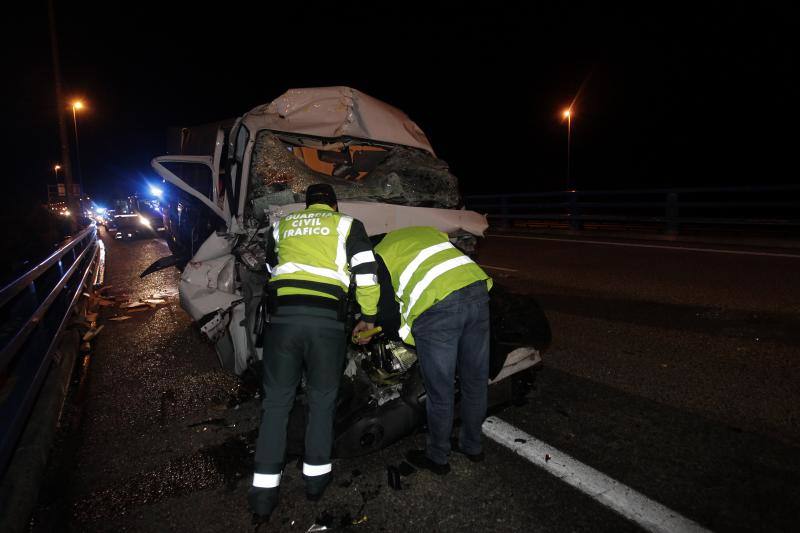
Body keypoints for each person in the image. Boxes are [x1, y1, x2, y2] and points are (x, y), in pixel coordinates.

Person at [249, 183, 379, 519]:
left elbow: (270, 268)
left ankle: (263, 496)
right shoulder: (348, 225)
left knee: (276, 403)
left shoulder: (282, 226)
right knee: (322, 401)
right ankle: (315, 482)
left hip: (283, 322)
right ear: (333, 205)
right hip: (326, 324)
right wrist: (368, 317)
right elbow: (366, 273)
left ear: (307, 206)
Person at [354, 226, 492, 475]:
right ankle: (473, 446)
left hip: (438, 309)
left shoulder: (378, 254)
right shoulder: (423, 232)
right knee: (475, 381)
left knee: (440, 391)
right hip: (477, 290)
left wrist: (379, 330)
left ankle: (438, 457)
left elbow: (387, 314)